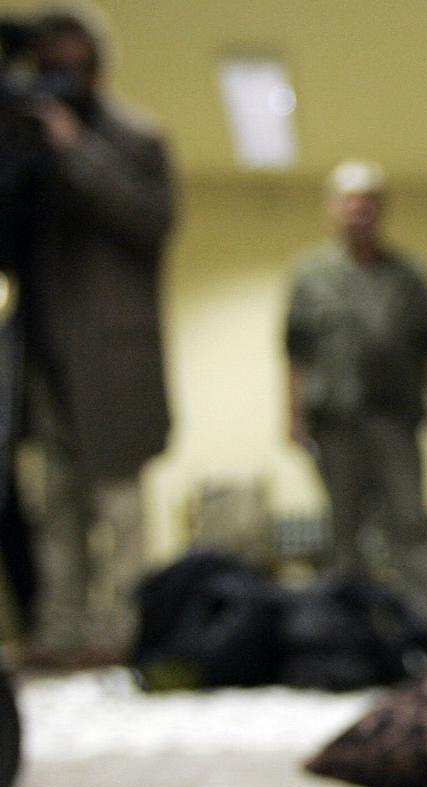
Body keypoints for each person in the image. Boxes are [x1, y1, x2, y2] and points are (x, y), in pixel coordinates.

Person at [20, 10, 174, 666]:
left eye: (71, 64)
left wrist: (73, 149)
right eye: (46, 64)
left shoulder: (139, 137)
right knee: (55, 507)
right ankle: (60, 632)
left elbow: (151, 221)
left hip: (115, 361)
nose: (59, 77)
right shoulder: (22, 137)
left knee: (119, 509)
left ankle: (122, 635)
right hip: (45, 351)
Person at [285, 160, 427, 632]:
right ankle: (346, 630)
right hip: (334, 420)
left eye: (367, 203)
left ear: (381, 210)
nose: (358, 212)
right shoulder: (310, 275)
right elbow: (295, 352)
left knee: (409, 522)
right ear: (333, 210)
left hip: (396, 417)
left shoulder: (411, 274)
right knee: (344, 527)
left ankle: (424, 628)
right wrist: (292, 417)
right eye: (348, 202)